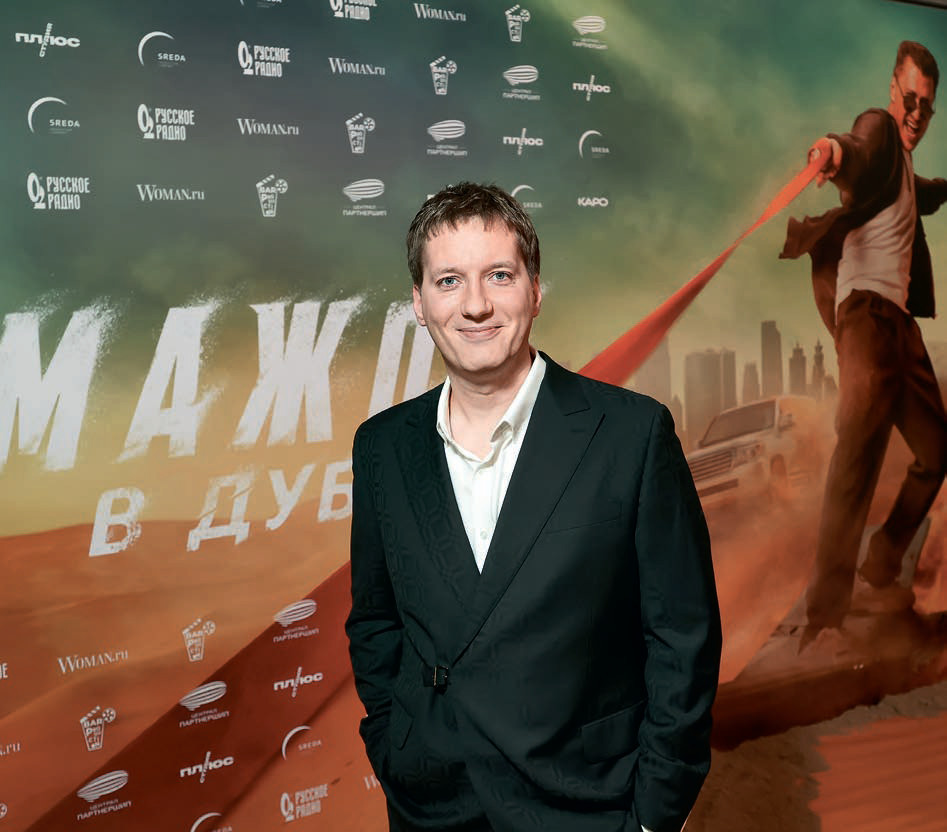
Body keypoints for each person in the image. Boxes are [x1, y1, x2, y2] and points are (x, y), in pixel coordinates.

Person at [346, 182, 721, 832]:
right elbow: (376, 622)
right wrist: (395, 745)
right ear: (419, 303)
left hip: (585, 804)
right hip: (434, 808)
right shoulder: (382, 447)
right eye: (448, 281)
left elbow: (682, 638)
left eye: (499, 275)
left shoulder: (630, 435)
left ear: (535, 290)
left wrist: (652, 817)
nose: (475, 305)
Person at [781, 41, 947, 648]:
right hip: (867, 321)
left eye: (927, 107)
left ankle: (880, 564)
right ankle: (824, 617)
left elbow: (924, 191)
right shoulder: (879, 130)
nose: (916, 114)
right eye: (910, 100)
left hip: (899, 326)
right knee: (858, 457)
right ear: (892, 93)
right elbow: (856, 147)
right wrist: (831, 151)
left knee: (936, 451)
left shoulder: (903, 170)